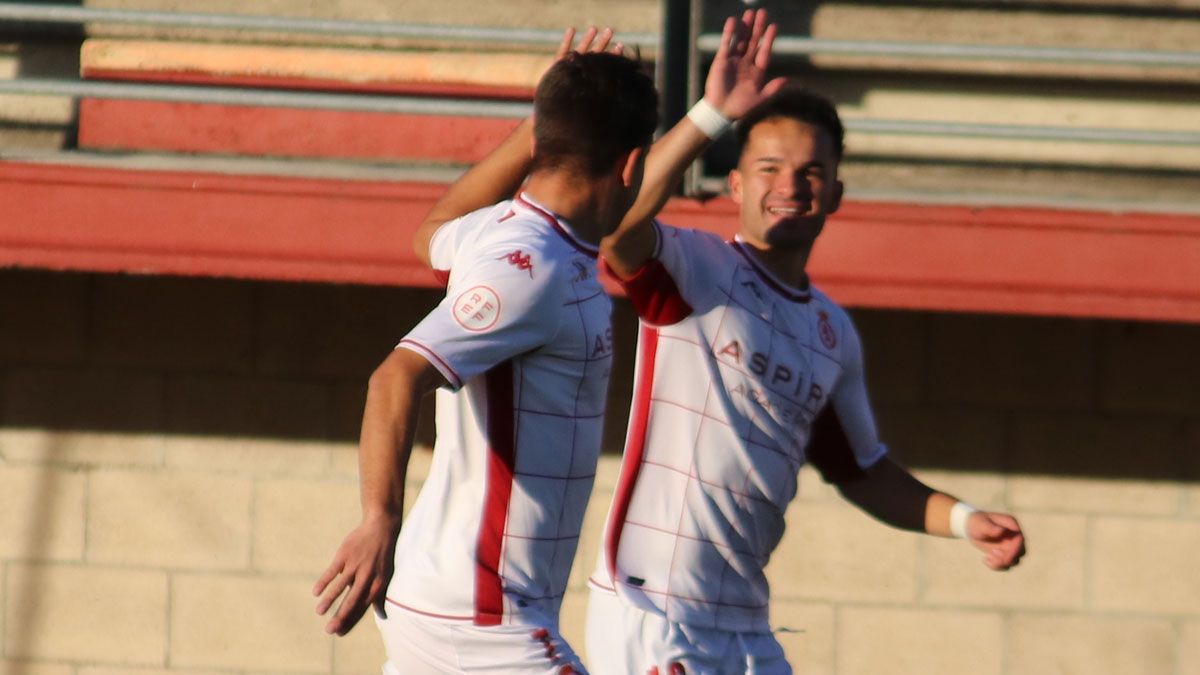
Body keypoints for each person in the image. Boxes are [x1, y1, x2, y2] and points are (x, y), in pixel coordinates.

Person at [585, 15, 1028, 675]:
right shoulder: (693, 268)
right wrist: (711, 113)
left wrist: (965, 520)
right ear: (735, 184)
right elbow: (616, 226)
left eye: (811, 171)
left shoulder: (831, 332)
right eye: (768, 167)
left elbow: (862, 470)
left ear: (836, 194)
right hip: (657, 611)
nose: (789, 186)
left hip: (745, 624)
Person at [312, 28, 657, 674]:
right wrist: (377, 517)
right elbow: (395, 374)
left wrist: (536, 132)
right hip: (482, 619)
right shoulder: (532, 269)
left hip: (456, 604)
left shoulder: (503, 232)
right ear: (631, 167)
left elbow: (431, 233)